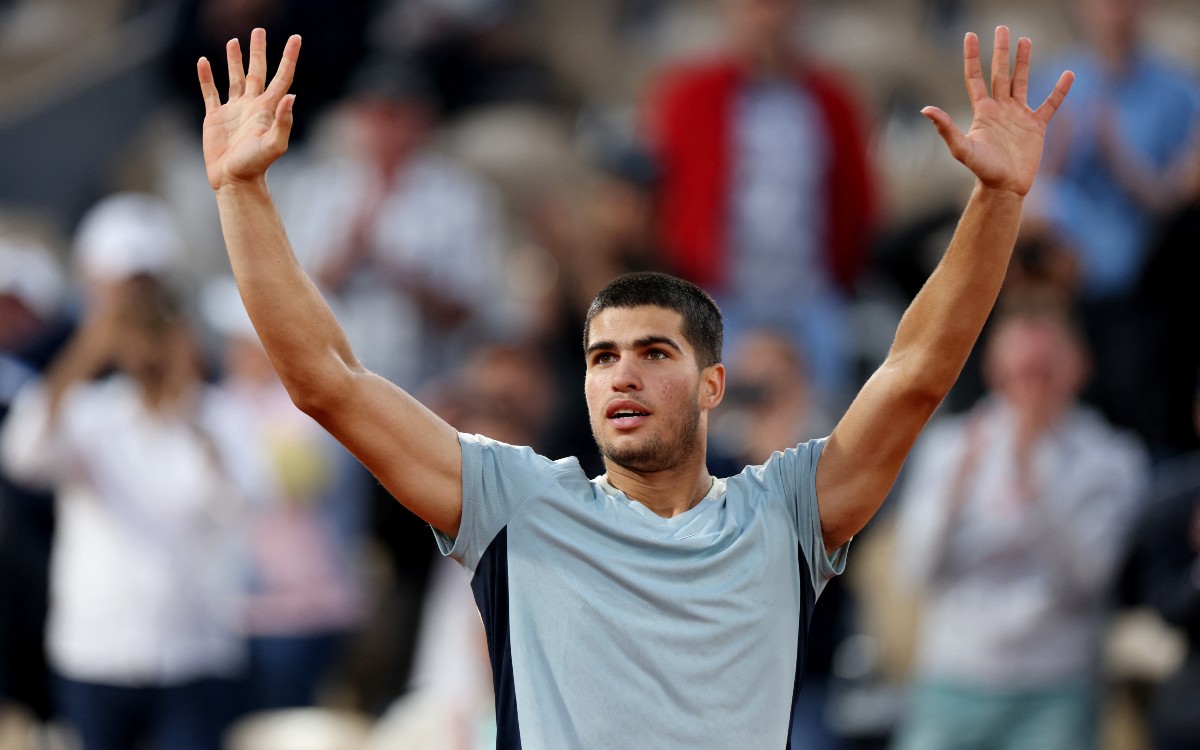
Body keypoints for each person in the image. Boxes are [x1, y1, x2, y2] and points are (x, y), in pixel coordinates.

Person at [195, 25, 1072, 747]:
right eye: (601, 356)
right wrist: (240, 190)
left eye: (654, 352)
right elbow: (328, 382)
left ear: (713, 385)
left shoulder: (783, 513)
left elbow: (914, 373)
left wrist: (996, 199)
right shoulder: (520, 502)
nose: (622, 373)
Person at [0, 276, 260, 750]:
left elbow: (241, 500)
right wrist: (87, 349)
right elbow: (23, 454)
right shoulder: (93, 414)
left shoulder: (219, 416)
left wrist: (187, 399)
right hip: (97, 651)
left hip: (194, 651)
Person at [889, 292, 1148, 750]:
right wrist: (954, 495)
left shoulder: (1112, 458)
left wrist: (1036, 481)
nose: (1030, 386)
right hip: (954, 677)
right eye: (1020, 372)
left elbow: (1091, 578)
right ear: (994, 368)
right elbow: (914, 568)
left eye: (1044, 371)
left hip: (1055, 685)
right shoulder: (950, 446)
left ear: (1079, 366)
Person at [644, 0, 878, 401]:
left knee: (827, 420)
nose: (768, 20)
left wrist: (844, 269)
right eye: (756, 8)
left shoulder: (833, 100)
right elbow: (660, 195)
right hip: (721, 294)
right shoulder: (690, 96)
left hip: (811, 292)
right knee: (718, 420)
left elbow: (859, 197)